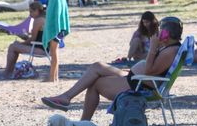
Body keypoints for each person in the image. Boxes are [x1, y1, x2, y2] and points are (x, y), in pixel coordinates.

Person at [41, 17, 183, 120]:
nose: (157, 33)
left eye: (160, 30)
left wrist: (153, 48)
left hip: (140, 85)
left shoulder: (171, 51)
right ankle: (67, 99)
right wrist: (157, 47)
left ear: (166, 34)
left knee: (95, 84)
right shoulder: (170, 48)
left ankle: (80, 118)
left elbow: (149, 71)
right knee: (98, 66)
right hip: (135, 78)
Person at [2, 2, 46, 78]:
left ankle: (7, 72)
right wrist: (24, 38)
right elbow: (38, 37)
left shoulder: (38, 21)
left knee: (13, 46)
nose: (30, 14)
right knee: (15, 45)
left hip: (41, 49)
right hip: (44, 47)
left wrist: (22, 43)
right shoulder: (44, 18)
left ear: (37, 11)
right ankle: (9, 71)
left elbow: (33, 39)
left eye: (31, 11)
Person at [41, 0, 70, 82]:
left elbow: (52, 16)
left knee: (54, 52)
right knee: (55, 51)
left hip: (56, 29)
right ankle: (55, 77)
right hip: (61, 28)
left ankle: (52, 78)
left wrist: (49, 30)